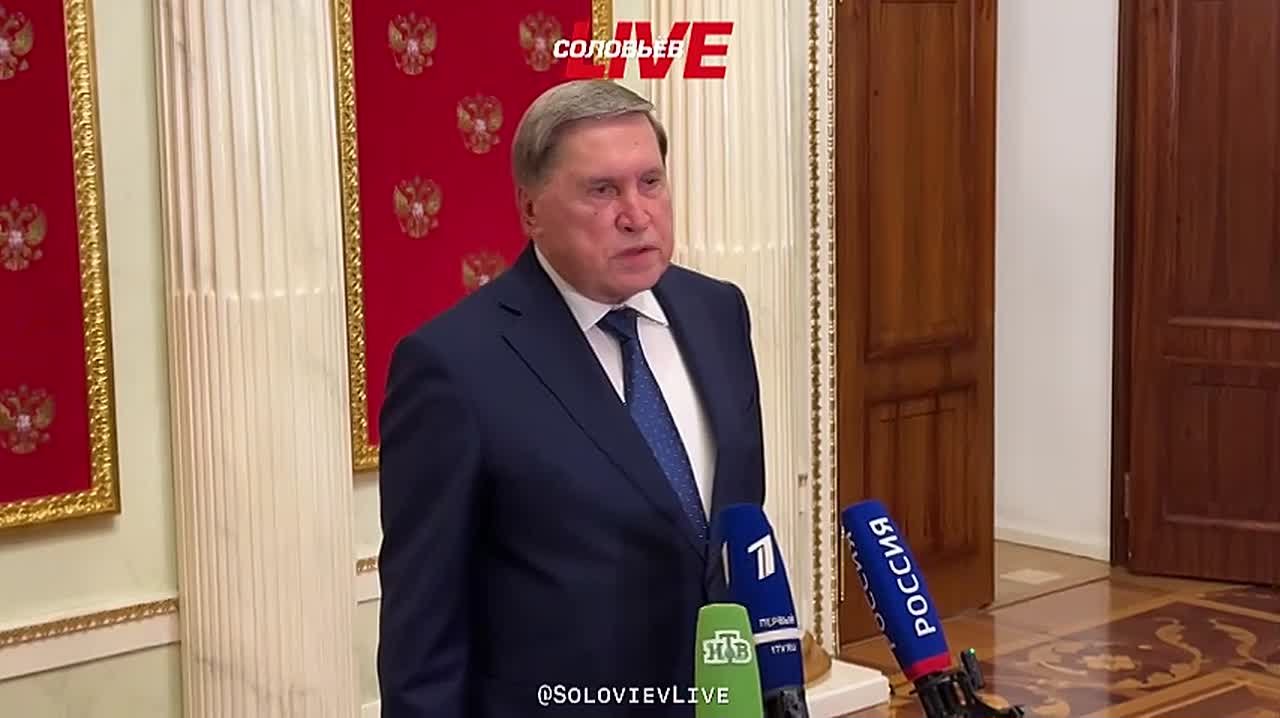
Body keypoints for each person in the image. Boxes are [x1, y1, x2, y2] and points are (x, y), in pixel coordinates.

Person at [376, 79, 766, 717]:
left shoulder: (718, 312)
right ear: (531, 210)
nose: (636, 215)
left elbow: (736, 533)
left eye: (650, 182)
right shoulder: (453, 366)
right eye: (602, 190)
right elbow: (423, 633)